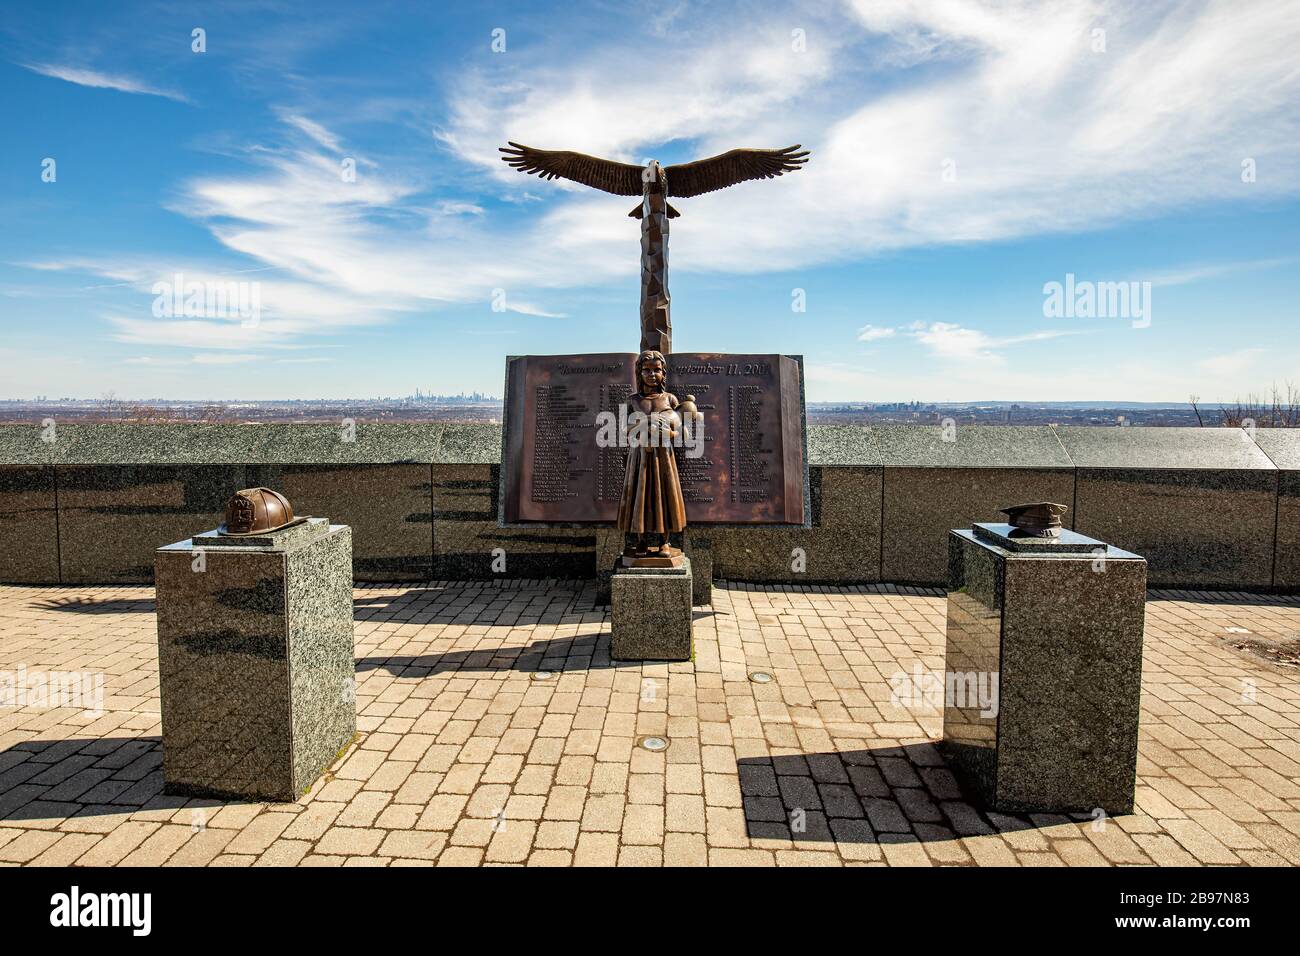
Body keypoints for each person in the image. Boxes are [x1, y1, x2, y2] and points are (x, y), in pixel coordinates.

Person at [617, 349, 687, 558]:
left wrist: (670, 432)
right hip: (639, 457)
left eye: (657, 370)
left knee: (664, 496)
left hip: (664, 456)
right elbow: (622, 430)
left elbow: (682, 431)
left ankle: (665, 542)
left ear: (663, 374)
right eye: (646, 370)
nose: (652, 374)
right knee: (640, 496)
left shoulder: (670, 400)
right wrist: (644, 423)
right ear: (639, 373)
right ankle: (641, 542)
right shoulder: (632, 401)